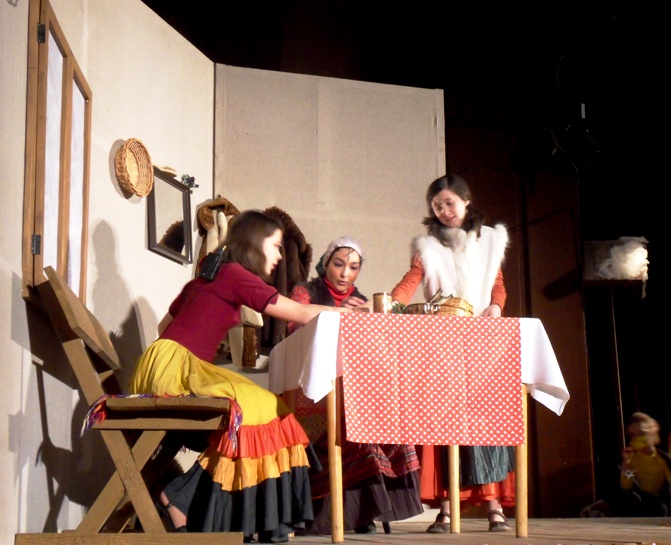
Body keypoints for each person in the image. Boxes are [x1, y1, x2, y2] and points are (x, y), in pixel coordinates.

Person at [128, 210, 355, 543]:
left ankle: (186, 501)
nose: (279, 256)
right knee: (269, 410)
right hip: (177, 368)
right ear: (255, 243)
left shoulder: (207, 276)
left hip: (157, 364)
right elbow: (298, 311)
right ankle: (186, 499)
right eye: (275, 246)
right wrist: (351, 312)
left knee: (262, 409)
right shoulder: (235, 274)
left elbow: (165, 327)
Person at [389, 173, 513, 533]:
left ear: (466, 201)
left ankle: (494, 507)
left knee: (485, 425)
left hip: (482, 343)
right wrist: (390, 304)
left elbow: (498, 285)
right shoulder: (428, 246)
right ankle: (446, 509)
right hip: (441, 346)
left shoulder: (489, 241)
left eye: (449, 203)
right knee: (442, 425)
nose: (444, 210)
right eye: (437, 206)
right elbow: (410, 283)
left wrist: (495, 307)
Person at [285, 236, 424, 534]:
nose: (345, 273)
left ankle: (366, 511)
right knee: (353, 423)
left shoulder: (363, 300)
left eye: (353, 267)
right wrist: (342, 315)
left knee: (386, 422)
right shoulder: (305, 292)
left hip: (353, 387)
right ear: (326, 263)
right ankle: (349, 514)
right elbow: (294, 329)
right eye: (338, 264)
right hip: (314, 387)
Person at [613, 412, 671, 517]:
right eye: (633, 435)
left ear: (651, 433)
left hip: (655, 503)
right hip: (636, 501)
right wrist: (626, 464)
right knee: (630, 500)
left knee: (660, 508)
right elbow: (626, 487)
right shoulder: (632, 457)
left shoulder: (662, 460)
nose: (637, 438)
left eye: (641, 433)